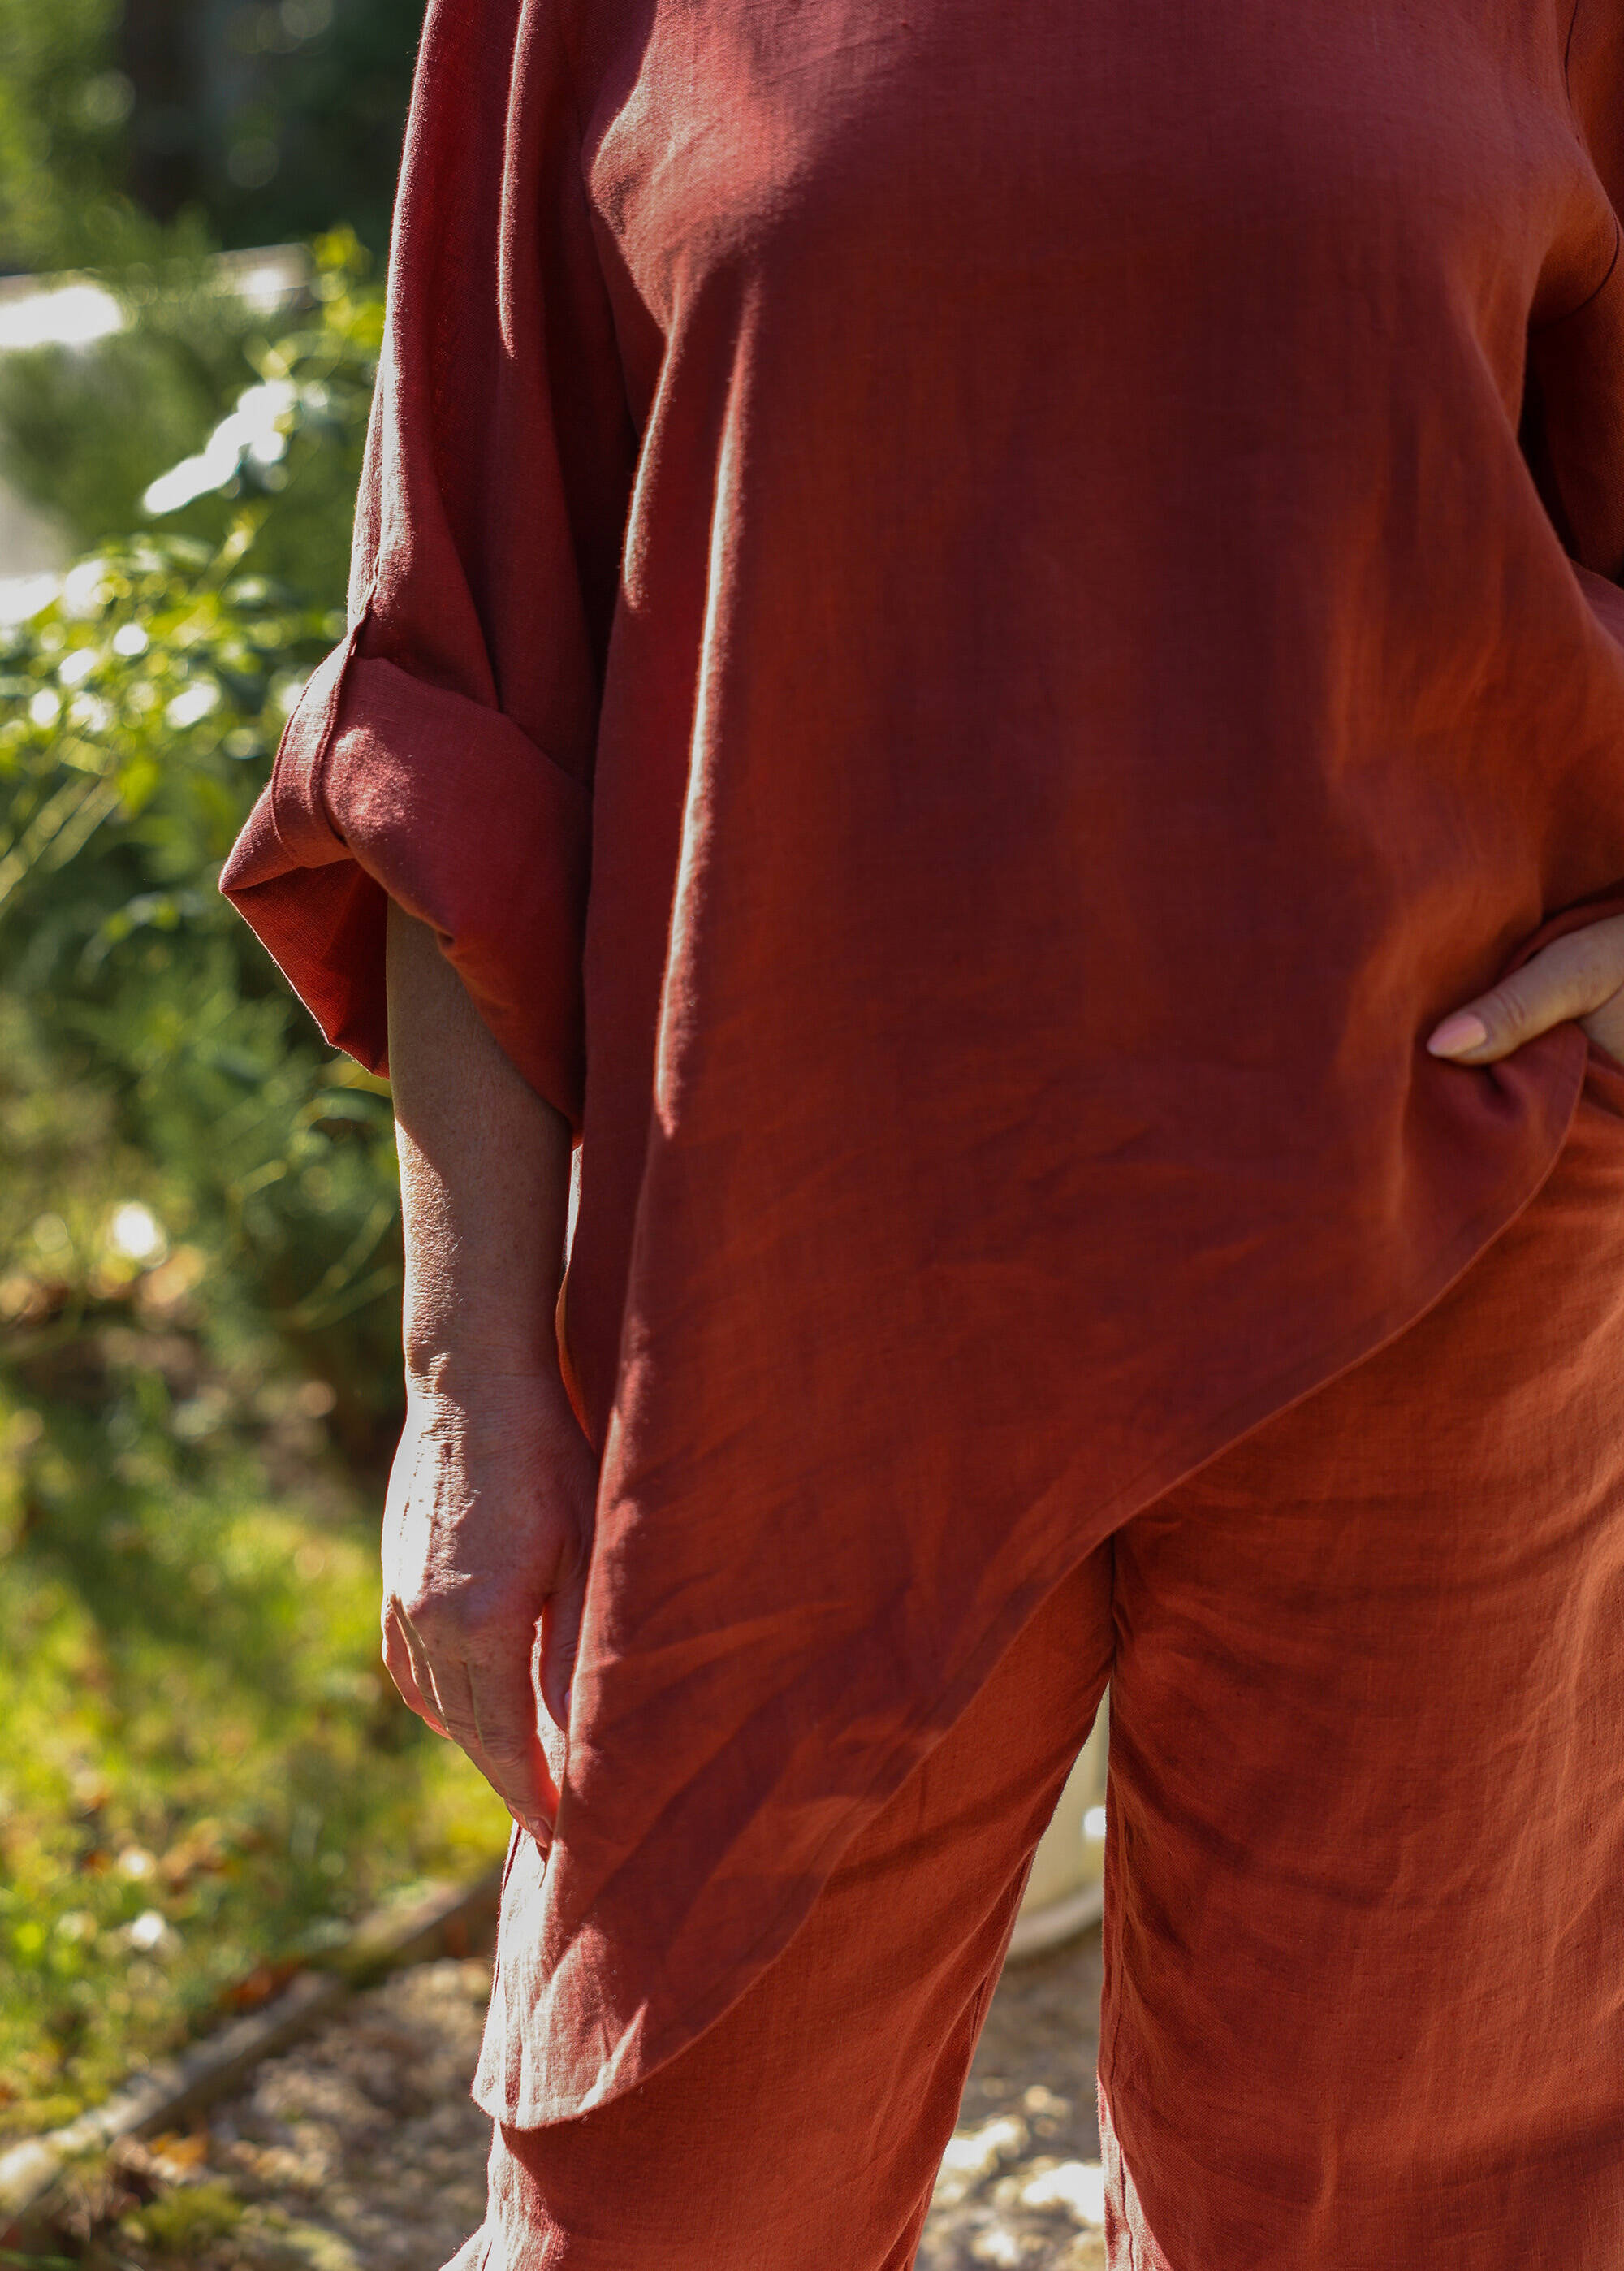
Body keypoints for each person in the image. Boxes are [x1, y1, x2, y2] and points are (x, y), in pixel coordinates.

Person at [220, 0, 1624, 2261]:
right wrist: (465, 1384)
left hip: (1444, 1216)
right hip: (798, 1257)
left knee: (1415, 2210)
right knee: (658, 2208)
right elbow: (470, 680)